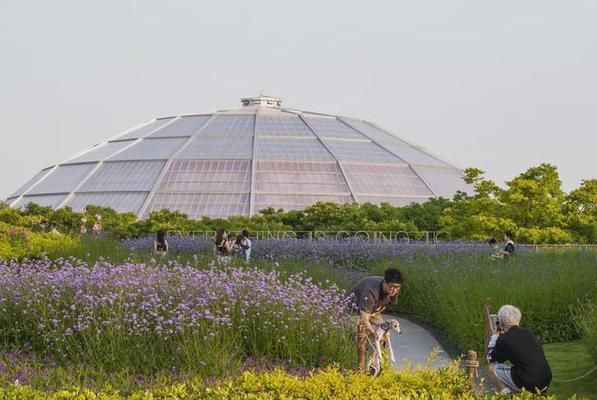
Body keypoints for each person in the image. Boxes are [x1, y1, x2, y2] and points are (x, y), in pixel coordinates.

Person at [487, 305, 552, 394]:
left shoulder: (504, 339)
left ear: (501, 323)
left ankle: (507, 396)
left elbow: (490, 358)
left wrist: (494, 338)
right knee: (518, 370)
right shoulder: (528, 332)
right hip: (546, 378)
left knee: (492, 368)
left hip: (528, 381)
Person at [348, 268, 404, 336]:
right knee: (362, 334)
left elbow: (384, 306)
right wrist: (374, 334)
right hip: (353, 311)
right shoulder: (371, 291)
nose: (395, 290)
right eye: (392, 287)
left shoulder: (394, 290)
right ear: (385, 282)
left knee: (384, 333)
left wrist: (381, 331)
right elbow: (364, 319)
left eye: (398, 287)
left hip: (373, 310)